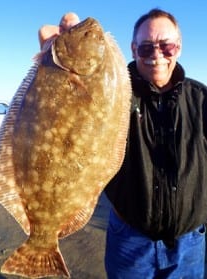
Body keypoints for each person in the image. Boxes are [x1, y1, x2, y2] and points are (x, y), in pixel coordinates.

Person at [39, 9, 207, 278]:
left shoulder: (200, 97)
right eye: (146, 47)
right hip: (130, 241)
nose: (157, 55)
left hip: (191, 245)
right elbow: (61, 118)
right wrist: (52, 63)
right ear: (132, 49)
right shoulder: (112, 92)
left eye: (167, 46)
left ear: (179, 47)